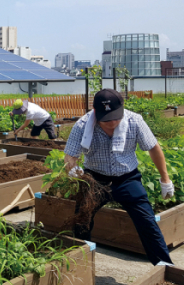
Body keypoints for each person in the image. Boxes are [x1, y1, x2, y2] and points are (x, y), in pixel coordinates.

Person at [64, 89, 174, 266]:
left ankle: (164, 266)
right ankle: (82, 265)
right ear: (96, 113)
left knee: (147, 221)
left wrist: (165, 179)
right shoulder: (83, 124)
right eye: (106, 119)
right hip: (95, 180)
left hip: (127, 178)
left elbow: (153, 148)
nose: (112, 123)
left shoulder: (135, 121)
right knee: (82, 220)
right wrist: (72, 168)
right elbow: (70, 155)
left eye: (116, 117)